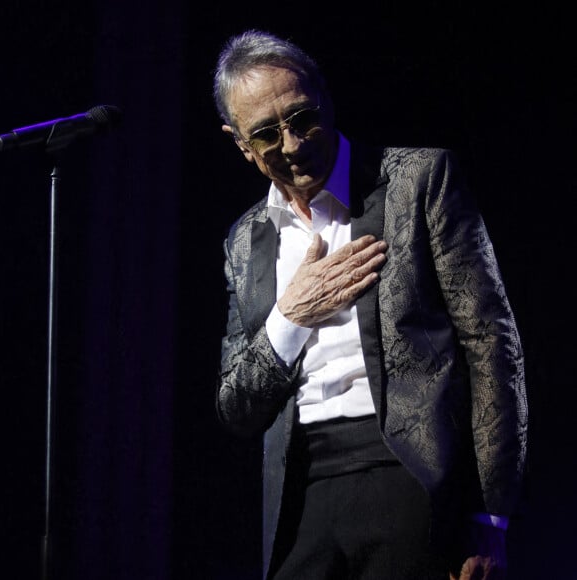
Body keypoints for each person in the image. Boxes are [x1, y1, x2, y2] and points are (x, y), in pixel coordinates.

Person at [213, 29, 527, 580]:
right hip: (298, 489)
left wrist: (491, 515)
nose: (291, 144)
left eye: (302, 117)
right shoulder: (245, 241)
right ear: (240, 144)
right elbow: (237, 406)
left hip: (406, 469)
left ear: (326, 97)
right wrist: (291, 317)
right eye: (265, 133)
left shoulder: (416, 182)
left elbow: (492, 345)